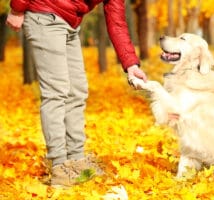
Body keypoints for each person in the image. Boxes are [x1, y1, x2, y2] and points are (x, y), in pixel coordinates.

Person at [6, 0, 147, 188]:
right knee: (56, 92)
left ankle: (76, 160)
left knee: (77, 91)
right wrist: (17, 8)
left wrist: (131, 64)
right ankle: (58, 166)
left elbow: (117, 21)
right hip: (44, 14)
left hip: (70, 23)